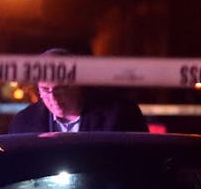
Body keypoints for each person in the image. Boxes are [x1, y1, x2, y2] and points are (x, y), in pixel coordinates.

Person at [8, 49, 148, 134]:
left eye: (61, 89)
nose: (53, 98)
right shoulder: (24, 123)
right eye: (45, 90)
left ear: (79, 83)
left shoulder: (120, 115)